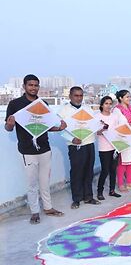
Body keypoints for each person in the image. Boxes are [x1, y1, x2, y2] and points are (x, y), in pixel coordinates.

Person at [4, 74, 66, 224]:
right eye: (30, 85)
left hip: (45, 148)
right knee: (32, 183)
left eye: (36, 85)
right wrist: (11, 123)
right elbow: (8, 127)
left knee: (45, 181)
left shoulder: (42, 103)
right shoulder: (15, 104)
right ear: (24, 86)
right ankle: (34, 211)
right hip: (27, 150)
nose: (33, 88)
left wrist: (59, 128)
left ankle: (48, 208)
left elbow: (46, 125)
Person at [58, 86, 101, 209]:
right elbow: (61, 128)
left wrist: (100, 127)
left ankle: (88, 196)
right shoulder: (64, 111)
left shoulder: (88, 109)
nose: (79, 98)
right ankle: (76, 198)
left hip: (89, 143)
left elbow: (94, 124)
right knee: (77, 172)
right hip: (75, 144)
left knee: (89, 170)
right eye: (76, 95)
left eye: (81, 95)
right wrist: (72, 139)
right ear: (70, 96)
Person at [95, 96, 122, 200]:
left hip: (114, 146)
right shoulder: (97, 116)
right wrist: (101, 131)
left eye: (110, 104)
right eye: (106, 103)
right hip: (104, 148)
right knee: (105, 170)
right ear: (102, 105)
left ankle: (112, 190)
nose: (108, 106)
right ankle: (99, 192)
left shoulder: (115, 116)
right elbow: (96, 132)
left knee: (113, 170)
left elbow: (118, 130)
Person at [115, 90, 131, 191]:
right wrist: (128, 126)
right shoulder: (117, 110)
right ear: (121, 98)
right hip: (123, 137)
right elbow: (117, 124)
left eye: (129, 97)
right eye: (127, 97)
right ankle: (120, 183)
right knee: (123, 162)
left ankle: (129, 182)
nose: (129, 99)